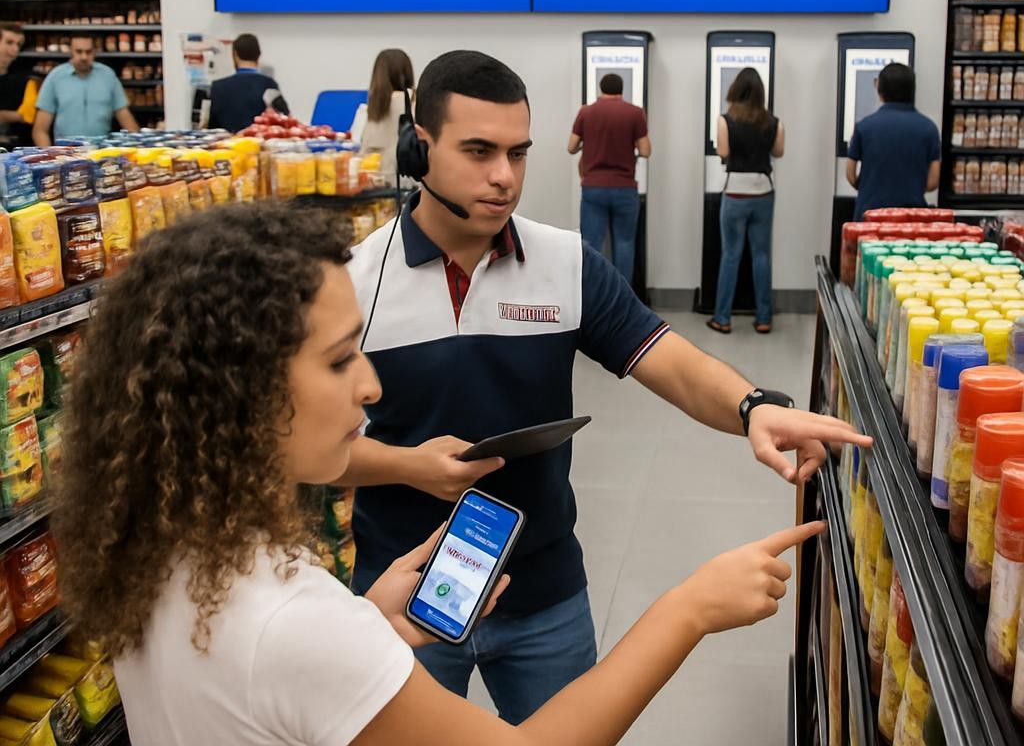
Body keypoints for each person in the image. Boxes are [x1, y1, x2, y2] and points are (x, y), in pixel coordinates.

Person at [53, 200, 827, 745]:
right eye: (338, 359)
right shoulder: (292, 624)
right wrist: (688, 607)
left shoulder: (166, 552)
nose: (372, 386)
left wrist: (369, 624)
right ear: (236, 388)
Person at [343, 50, 870, 723]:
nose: (504, 177)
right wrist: (406, 466)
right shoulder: (355, 283)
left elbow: (667, 356)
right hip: (401, 594)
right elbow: (306, 451)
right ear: (419, 148)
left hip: (544, 589)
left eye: (518, 153)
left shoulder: (563, 263)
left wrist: (752, 407)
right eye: (478, 151)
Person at [708, 68, 785, 336]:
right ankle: (764, 318)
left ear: (736, 90)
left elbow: (723, 152)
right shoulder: (773, 121)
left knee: (730, 255)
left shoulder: (725, 120)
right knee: (761, 256)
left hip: (736, 192)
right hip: (763, 191)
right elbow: (778, 152)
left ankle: (722, 318)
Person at [567, 72, 651, 281]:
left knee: (591, 244)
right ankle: (622, 302)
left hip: (593, 187)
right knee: (624, 243)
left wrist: (590, 142)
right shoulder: (635, 113)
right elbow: (646, 150)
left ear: (601, 88)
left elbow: (571, 147)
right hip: (625, 188)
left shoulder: (586, 112)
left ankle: (592, 300)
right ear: (621, 90)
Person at [847, 62, 941, 221]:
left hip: (869, 216)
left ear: (879, 89)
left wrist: (866, 187)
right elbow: (932, 182)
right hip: (912, 218)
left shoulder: (864, 126)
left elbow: (850, 174)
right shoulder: (929, 128)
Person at [32, 34, 139, 146]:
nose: (84, 57)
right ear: (71, 51)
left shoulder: (108, 75)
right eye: (79, 51)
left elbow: (126, 119)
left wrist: (139, 151)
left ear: (95, 52)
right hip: (65, 155)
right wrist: (49, 159)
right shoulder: (55, 77)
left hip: (102, 154)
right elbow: (40, 130)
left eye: (88, 52)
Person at [207, 33, 289, 132]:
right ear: (259, 54)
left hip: (227, 145)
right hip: (259, 144)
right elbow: (285, 121)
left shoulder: (218, 87)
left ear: (235, 55)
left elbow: (211, 127)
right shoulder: (269, 85)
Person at [360, 48, 415, 178]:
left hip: (374, 179)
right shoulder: (416, 103)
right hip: (409, 182)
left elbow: (362, 145)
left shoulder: (371, 107)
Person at [0, 23, 34, 147]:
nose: (15, 49)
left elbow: (28, 116)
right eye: (9, 42)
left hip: (13, 148)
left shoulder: (24, 78)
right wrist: (12, 116)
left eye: (18, 44)